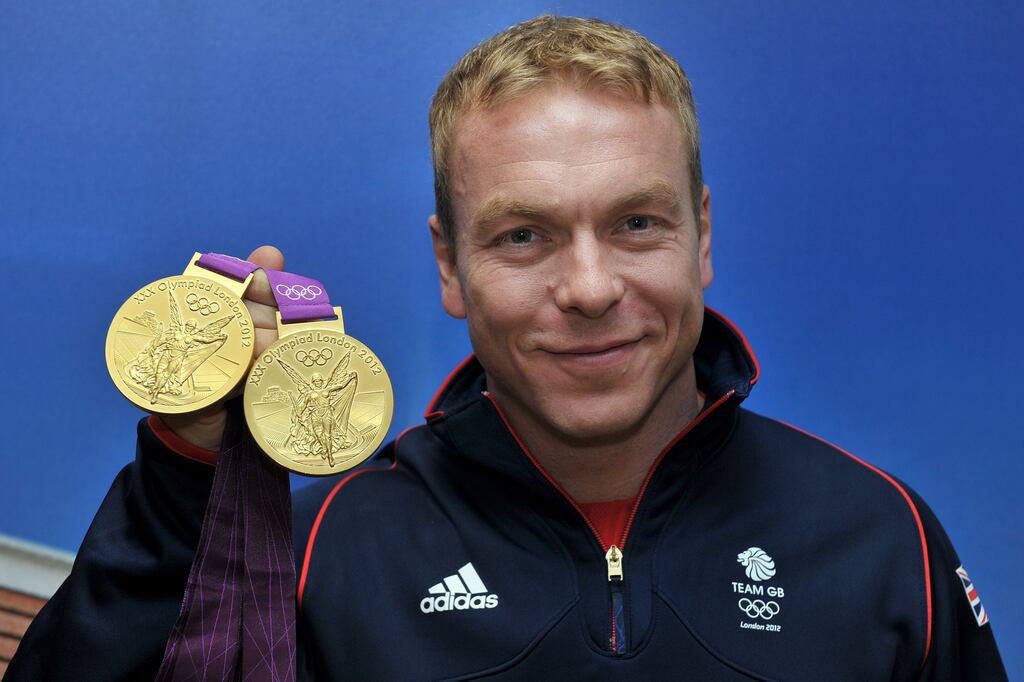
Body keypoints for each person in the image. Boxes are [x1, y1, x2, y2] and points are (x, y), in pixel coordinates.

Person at [8, 15, 1007, 680]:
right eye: (524, 235)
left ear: (702, 236)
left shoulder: (881, 539)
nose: (589, 287)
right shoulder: (323, 552)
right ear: (449, 265)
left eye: (636, 224)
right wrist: (188, 476)